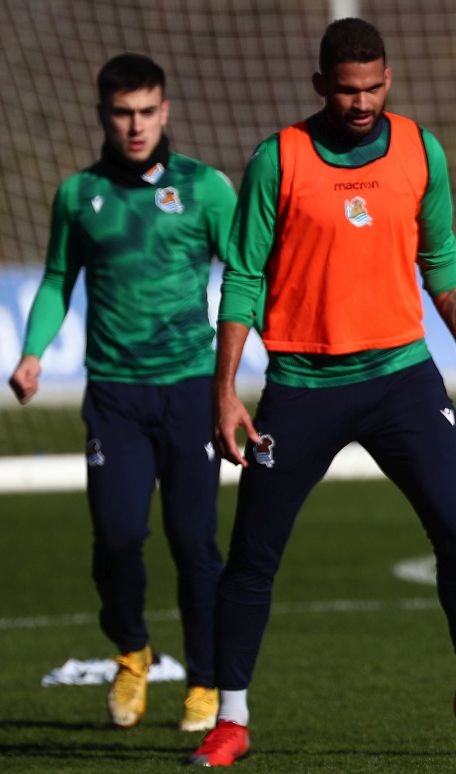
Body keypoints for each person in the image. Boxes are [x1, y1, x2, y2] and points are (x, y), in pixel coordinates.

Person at [189, 18, 456, 766]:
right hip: (301, 385)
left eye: (375, 87)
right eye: (348, 90)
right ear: (321, 86)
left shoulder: (419, 150)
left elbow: (439, 260)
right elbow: (243, 279)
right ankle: (232, 716)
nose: (362, 102)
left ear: (390, 80)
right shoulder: (277, 160)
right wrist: (225, 391)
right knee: (253, 555)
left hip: (403, 381)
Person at [8, 54, 234, 732]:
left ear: (165, 111)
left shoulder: (206, 189)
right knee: (116, 538)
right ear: (103, 115)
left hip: (192, 389)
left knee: (194, 542)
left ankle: (205, 680)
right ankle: (132, 653)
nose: (135, 126)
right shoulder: (79, 194)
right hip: (114, 396)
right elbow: (56, 279)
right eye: (122, 114)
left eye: (146, 112)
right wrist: (32, 353)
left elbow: (249, 274)